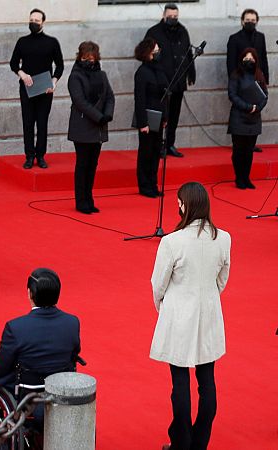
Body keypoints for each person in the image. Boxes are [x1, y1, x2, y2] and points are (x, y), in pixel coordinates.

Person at [150, 182, 231, 450]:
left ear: (185, 205)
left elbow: (158, 283)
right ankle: (199, 442)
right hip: (209, 315)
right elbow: (222, 280)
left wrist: (164, 304)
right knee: (207, 380)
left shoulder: (172, 242)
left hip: (179, 316)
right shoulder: (224, 238)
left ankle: (181, 442)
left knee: (180, 381)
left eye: (179, 202)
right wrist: (207, 296)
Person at [0, 268, 80, 424]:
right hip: (58, 385)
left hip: (25, 390)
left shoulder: (16, 327)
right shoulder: (72, 322)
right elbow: (75, 353)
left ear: (30, 293)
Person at [9, 8, 64, 169]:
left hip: (45, 89)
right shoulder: (22, 41)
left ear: (43, 23)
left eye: (36, 21)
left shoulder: (52, 42)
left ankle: (40, 156)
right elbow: (13, 63)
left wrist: (54, 82)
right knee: (27, 122)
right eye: (31, 20)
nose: (33, 23)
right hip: (26, 88)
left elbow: (59, 65)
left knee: (42, 123)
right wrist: (22, 74)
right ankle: (28, 156)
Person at [67, 41, 115, 214]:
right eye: (86, 58)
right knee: (83, 164)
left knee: (93, 164)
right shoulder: (75, 76)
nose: (90, 61)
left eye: (93, 58)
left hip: (99, 127)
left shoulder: (101, 74)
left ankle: (89, 198)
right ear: (80, 57)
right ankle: (81, 200)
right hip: (83, 126)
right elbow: (80, 102)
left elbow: (110, 96)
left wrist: (107, 115)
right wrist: (98, 116)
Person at [145, 3, 195, 158]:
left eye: (175, 16)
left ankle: (169, 144)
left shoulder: (182, 31)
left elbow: (188, 52)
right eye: (170, 17)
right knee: (160, 115)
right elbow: (147, 55)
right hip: (161, 82)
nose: (173, 19)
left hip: (178, 81)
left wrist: (191, 72)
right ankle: (157, 145)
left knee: (174, 115)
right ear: (163, 16)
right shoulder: (154, 32)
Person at [227, 9, 268, 154]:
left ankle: (251, 141)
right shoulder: (234, 38)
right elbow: (230, 62)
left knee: (255, 111)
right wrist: (234, 81)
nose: (250, 22)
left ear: (257, 21)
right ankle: (240, 141)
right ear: (242, 21)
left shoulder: (261, 37)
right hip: (240, 83)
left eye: (253, 20)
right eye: (247, 20)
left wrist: (265, 80)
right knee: (242, 110)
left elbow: (263, 58)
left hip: (256, 81)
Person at [132, 38, 169, 198]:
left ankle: (153, 184)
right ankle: (144, 185)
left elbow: (165, 94)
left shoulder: (159, 70)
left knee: (155, 152)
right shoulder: (142, 72)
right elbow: (139, 99)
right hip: (147, 117)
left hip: (159, 116)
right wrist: (143, 123)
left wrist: (166, 116)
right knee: (146, 152)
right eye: (155, 51)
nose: (158, 53)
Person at [227, 48, 268, 190]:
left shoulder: (259, 75)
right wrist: (248, 107)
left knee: (249, 150)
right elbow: (232, 95)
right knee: (239, 150)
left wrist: (257, 108)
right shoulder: (236, 75)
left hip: (254, 118)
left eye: (251, 59)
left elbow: (265, 95)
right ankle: (239, 178)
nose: (249, 61)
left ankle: (246, 178)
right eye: (246, 58)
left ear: (256, 60)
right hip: (239, 117)